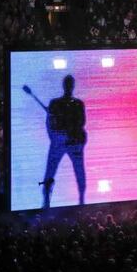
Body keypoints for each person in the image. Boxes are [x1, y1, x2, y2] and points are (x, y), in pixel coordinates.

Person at [41, 75, 87, 208]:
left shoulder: (60, 104)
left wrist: (60, 136)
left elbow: (81, 123)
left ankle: (81, 199)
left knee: (54, 171)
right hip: (64, 143)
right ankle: (47, 200)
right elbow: (50, 124)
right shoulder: (63, 104)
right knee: (52, 171)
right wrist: (57, 138)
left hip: (68, 143)